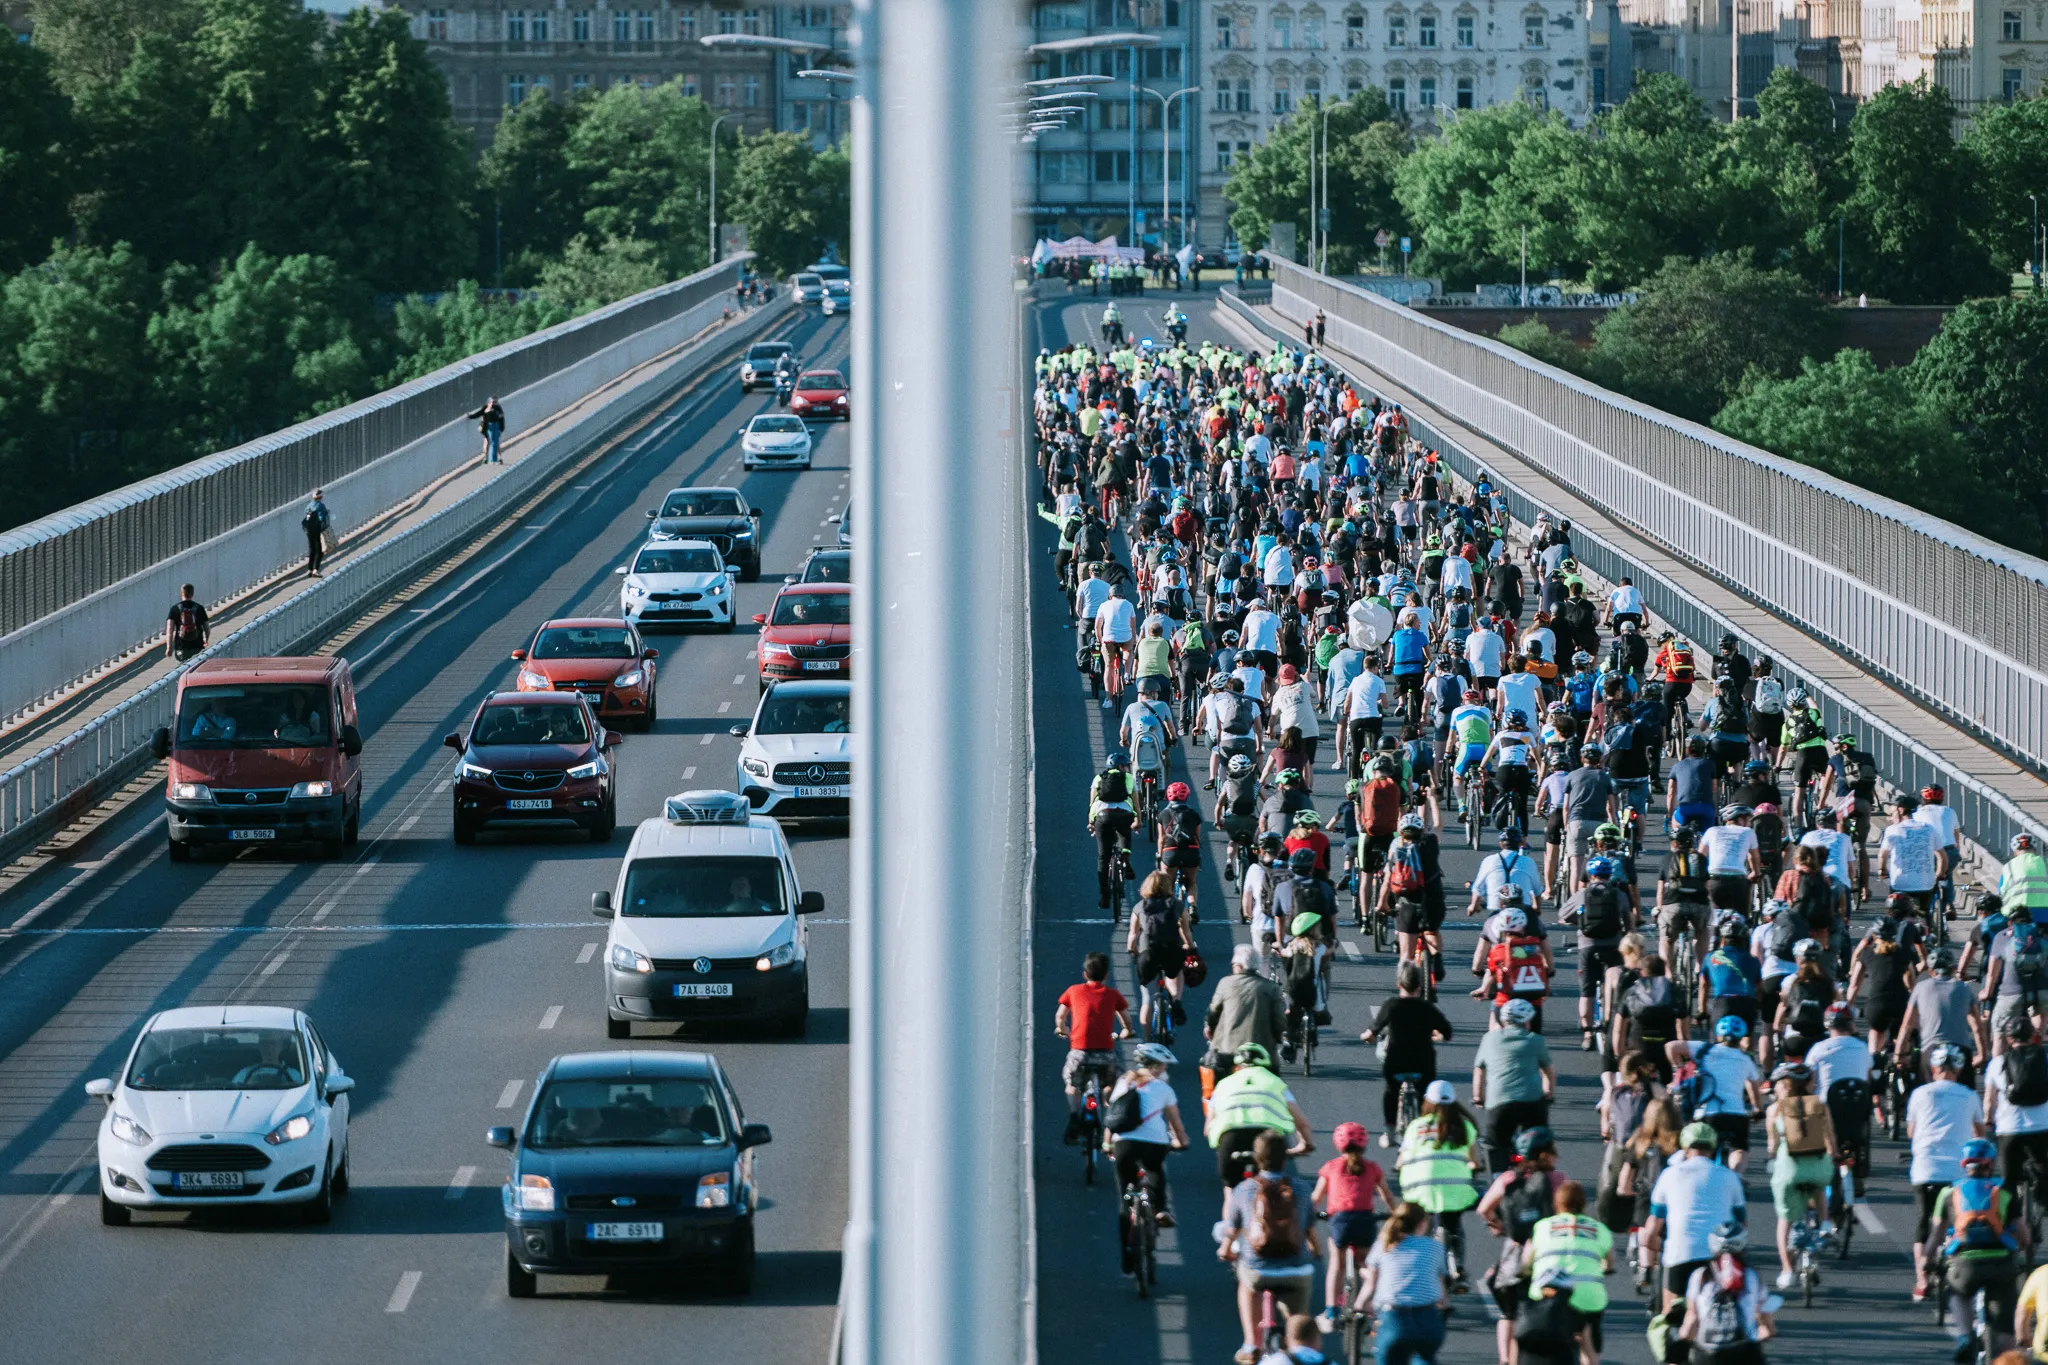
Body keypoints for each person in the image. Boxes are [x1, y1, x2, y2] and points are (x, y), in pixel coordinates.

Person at [1220, 1131, 1323, 1364]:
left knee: (1246, 1283)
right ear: (1285, 1159)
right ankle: (1296, 1346)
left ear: (1257, 1159)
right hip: (1297, 1270)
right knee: (1297, 1316)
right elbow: (1308, 1228)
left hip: (1258, 1270)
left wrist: (1225, 1248)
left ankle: (1251, 1344)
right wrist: (1316, 1251)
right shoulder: (1302, 1188)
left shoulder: (1244, 1189)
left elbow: (1232, 1228)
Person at [1927, 1137, 2030, 1361]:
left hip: (1965, 1264)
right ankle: (2004, 1356)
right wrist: (2020, 1251)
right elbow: (2024, 1234)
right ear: (1990, 1163)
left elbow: (1935, 1235)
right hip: (2001, 1263)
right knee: (2005, 1333)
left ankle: (1964, 1336)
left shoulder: (1948, 1192)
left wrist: (1927, 1264)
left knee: (1958, 1293)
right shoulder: (2005, 1190)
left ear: (1964, 1164)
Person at [1476, 1125, 1569, 1365]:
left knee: (1509, 1311)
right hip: (1548, 1252)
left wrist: (1499, 1225)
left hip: (1515, 1251)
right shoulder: (1557, 1179)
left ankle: (1507, 1359)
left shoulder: (1508, 1179)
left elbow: (1483, 1209)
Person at [1908, 1043, 1987, 1301]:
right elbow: (1980, 1134)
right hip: (1957, 1170)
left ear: (1933, 1069)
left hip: (1926, 1167)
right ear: (1959, 1069)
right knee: (1958, 1223)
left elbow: (1911, 1131)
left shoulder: (1919, 1094)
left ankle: (1922, 1280)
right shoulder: (1969, 1095)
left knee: (1925, 1224)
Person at [1644, 1123, 1748, 1312]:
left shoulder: (1669, 1175)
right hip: (1718, 1256)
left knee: (1670, 1319)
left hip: (1680, 1253)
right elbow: (1742, 1224)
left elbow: (1652, 1229)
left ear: (1684, 1146)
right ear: (1713, 1147)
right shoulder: (1729, 1177)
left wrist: (1654, 1251)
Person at [1396, 1080, 1483, 1291]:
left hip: (1419, 1190)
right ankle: (1458, 1269)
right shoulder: (1464, 1126)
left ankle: (1419, 1267)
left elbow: (1401, 1161)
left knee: (1418, 1226)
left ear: (1427, 1101)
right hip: (1454, 1191)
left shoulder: (1416, 1126)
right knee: (1455, 1225)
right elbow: (1475, 1161)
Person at [1313, 1121, 1396, 1331]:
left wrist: (1308, 1214)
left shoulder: (1331, 1167)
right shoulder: (1372, 1168)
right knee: (1366, 1264)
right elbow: (1386, 1195)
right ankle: (1372, 1298)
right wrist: (1396, 1214)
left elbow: (1316, 1197)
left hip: (1340, 1221)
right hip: (1365, 1221)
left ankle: (1331, 1311)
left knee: (1337, 1264)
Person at [1760, 1062, 1836, 1288]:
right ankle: (1824, 1223)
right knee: (1819, 1185)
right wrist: (1834, 1156)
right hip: (1818, 1168)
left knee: (1784, 1220)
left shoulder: (1774, 1109)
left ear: (1785, 1085)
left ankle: (1786, 1270)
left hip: (1789, 1171)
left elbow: (1772, 1146)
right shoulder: (1820, 1105)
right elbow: (1830, 1138)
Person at [1362, 961, 1455, 1137]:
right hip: (1423, 1064)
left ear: (1399, 984)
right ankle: (1425, 1128)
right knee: (1425, 1092)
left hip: (1396, 1063)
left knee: (1391, 1091)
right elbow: (1448, 1032)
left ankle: (1389, 1131)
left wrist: (1367, 1036)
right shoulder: (1427, 1008)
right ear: (1420, 986)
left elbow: (1373, 1030)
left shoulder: (1391, 1005)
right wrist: (1439, 1036)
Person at [1525, 1181, 1613, 1365]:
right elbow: (1610, 1261)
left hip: (1548, 1293)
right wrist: (1604, 1268)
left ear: (1557, 1203)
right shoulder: (1599, 1229)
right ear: (1583, 1204)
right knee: (1586, 1339)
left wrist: (1525, 1271)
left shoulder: (1543, 1226)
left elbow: (1527, 1260)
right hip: (1588, 1296)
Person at [1107, 1042, 1188, 1234]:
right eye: (1164, 1064)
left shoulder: (1123, 1083)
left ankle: (1128, 1252)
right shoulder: (1163, 1088)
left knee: (1126, 1194)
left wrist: (1107, 1143)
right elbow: (1175, 1123)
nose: (1165, 1068)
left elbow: (1113, 1117)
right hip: (1154, 1142)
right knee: (1155, 1170)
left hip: (1123, 1142)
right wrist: (1182, 1141)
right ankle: (1159, 1210)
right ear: (1156, 1066)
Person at [1207, 1043, 1316, 1188]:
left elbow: (1208, 1128)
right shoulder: (1275, 1083)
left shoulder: (1222, 1085)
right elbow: (1301, 1123)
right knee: (1272, 1186)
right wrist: (1304, 1144)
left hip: (1231, 1139)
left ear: (1237, 1066)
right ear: (1266, 1064)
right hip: (1267, 1138)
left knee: (1230, 1191)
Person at [1357, 1202, 1452, 1365]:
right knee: (1424, 1357)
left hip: (1395, 1320)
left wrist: (1360, 1304)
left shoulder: (1384, 1245)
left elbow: (1371, 1284)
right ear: (1422, 1223)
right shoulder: (1435, 1247)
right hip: (1428, 1320)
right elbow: (1441, 1294)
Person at [1054, 952, 1130, 1143]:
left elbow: (1061, 1015)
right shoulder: (1113, 995)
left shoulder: (1073, 991)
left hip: (1080, 1052)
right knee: (1115, 1080)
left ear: (1085, 974)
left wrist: (1062, 1029)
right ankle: (1107, 1104)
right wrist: (1127, 1030)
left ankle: (1073, 1118)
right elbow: (1125, 1019)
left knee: (1071, 1083)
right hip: (1105, 1054)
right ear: (1106, 975)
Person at [1677, 1220, 1778, 1365]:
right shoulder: (1751, 1275)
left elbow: (1692, 1319)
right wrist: (1769, 1330)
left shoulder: (1700, 1276)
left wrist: (1680, 1340)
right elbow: (1761, 1314)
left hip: (1707, 1354)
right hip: (1743, 1351)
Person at [1473, 997, 1555, 1173]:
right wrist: (1548, 1092)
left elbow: (1479, 1071)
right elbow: (1548, 1071)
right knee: (1540, 1142)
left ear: (1503, 1020)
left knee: (1494, 1144)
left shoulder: (1489, 1039)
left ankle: (1497, 1176)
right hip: (1531, 1101)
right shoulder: (1536, 1040)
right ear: (1527, 1021)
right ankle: (1539, 1172)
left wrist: (1478, 1097)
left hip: (1499, 1103)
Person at [1561, 855, 1633, 1051]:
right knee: (1616, 979)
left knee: (1587, 989)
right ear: (1609, 874)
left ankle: (1587, 1032)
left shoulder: (1582, 894)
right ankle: (1611, 1020)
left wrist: (1580, 921)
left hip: (1588, 945)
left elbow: (1563, 915)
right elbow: (1627, 919)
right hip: (1613, 945)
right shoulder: (1618, 894)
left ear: (1590, 875)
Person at [1126, 871, 1196, 1032]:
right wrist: (1190, 946)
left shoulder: (1139, 906)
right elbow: (1186, 932)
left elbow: (1133, 934)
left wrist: (1132, 950)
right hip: (1171, 950)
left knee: (1147, 1000)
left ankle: (1149, 1041)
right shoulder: (1176, 904)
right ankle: (1177, 999)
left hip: (1148, 952)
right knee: (1176, 972)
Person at [1088, 753, 1138, 910]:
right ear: (1122, 767)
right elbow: (1136, 803)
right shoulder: (1129, 778)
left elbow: (1093, 803)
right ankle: (1126, 857)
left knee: (1103, 856)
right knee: (1125, 833)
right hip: (1124, 814)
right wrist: (1139, 820)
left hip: (1102, 816)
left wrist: (1091, 822)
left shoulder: (1098, 778)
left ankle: (1104, 895)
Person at [165, 583, 210, 661]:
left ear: (181, 593)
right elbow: (207, 628)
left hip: (181, 647)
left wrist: (169, 647)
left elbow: (170, 630)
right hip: (197, 646)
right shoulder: (199, 608)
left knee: (183, 669)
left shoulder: (175, 609)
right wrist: (206, 639)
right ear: (192, 593)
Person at [467, 395, 507, 463]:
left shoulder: (497, 408)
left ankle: (497, 458)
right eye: (493, 402)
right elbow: (479, 413)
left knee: (494, 443)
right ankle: (486, 457)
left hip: (494, 428)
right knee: (488, 442)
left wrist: (501, 429)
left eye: (495, 402)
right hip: (487, 428)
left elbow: (501, 419)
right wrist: (471, 416)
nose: (494, 403)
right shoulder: (487, 408)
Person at [301, 488, 331, 577]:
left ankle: (310, 569)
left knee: (312, 549)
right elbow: (321, 518)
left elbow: (307, 517)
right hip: (317, 529)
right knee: (319, 550)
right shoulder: (320, 506)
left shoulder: (309, 506)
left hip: (309, 530)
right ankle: (315, 569)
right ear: (320, 497)